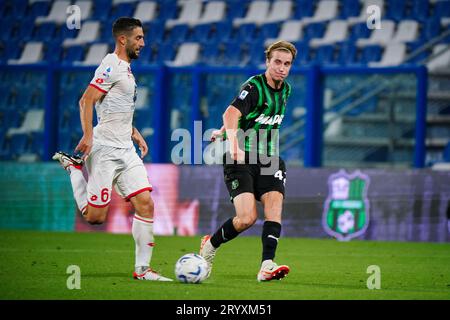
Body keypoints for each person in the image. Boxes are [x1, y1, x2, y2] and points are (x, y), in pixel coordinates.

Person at [53, 17, 172, 281]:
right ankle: (74, 169)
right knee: (95, 218)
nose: (143, 42)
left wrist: (135, 133)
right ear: (123, 39)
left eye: (142, 37)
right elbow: (86, 100)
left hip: (125, 150)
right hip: (104, 149)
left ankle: (143, 270)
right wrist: (87, 136)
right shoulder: (110, 66)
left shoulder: (127, 69)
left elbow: (115, 109)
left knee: (146, 203)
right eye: (138, 38)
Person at [200, 40, 297, 282]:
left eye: (287, 64)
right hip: (240, 159)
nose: (282, 68)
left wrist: (223, 131)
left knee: (274, 208)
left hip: (270, 159)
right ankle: (210, 245)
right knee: (247, 219)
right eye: (277, 62)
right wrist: (233, 145)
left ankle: (266, 265)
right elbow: (231, 112)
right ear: (267, 62)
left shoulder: (286, 90)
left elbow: (250, 114)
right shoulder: (253, 86)